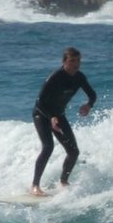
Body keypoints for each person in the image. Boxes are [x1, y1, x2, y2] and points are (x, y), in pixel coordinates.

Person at [31, 47, 98, 195]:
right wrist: (51, 117)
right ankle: (35, 185)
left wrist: (88, 105)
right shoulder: (56, 76)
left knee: (73, 152)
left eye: (78, 60)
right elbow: (40, 101)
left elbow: (92, 94)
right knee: (48, 147)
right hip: (41, 115)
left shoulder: (79, 77)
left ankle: (63, 181)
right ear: (64, 62)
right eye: (72, 61)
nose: (76, 64)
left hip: (59, 115)